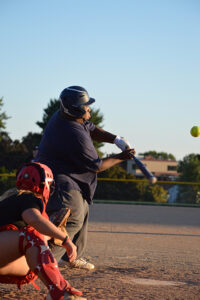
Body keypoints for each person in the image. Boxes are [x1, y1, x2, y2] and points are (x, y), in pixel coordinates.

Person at [35, 85, 135, 270]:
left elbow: (91, 128)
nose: (89, 108)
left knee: (83, 207)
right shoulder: (73, 132)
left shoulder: (66, 116)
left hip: (66, 175)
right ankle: (41, 262)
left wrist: (116, 139)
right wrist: (120, 158)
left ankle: (70, 258)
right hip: (58, 179)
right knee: (72, 218)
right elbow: (96, 166)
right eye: (85, 105)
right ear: (76, 110)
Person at [0, 162, 86, 300]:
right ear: (44, 185)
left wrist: (48, 235)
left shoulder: (12, 199)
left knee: (34, 265)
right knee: (32, 236)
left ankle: (58, 289)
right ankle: (59, 291)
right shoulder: (28, 197)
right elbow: (34, 219)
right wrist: (65, 239)